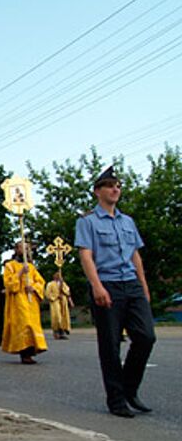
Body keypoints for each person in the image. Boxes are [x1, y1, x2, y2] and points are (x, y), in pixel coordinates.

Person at [74, 165, 155, 418]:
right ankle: (117, 400)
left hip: (131, 284)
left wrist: (143, 286)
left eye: (118, 185)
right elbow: (86, 256)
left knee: (146, 337)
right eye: (110, 185)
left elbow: (135, 255)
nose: (116, 189)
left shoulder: (127, 221)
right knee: (110, 345)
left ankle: (129, 389)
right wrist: (97, 286)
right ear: (98, 191)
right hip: (107, 284)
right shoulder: (87, 222)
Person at [2, 242, 48, 364]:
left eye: (27, 248)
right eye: (23, 247)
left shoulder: (31, 267)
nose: (25, 249)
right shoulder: (10, 266)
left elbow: (40, 282)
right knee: (24, 324)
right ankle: (25, 353)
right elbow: (9, 285)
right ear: (16, 250)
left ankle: (31, 351)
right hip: (18, 300)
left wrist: (33, 287)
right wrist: (21, 272)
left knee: (32, 325)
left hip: (31, 300)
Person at [45, 271, 74, 339]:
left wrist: (70, 301)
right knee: (57, 317)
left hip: (63, 301)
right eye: (56, 275)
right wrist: (56, 296)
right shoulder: (50, 284)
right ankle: (56, 331)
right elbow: (48, 294)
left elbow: (67, 292)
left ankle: (62, 332)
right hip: (55, 302)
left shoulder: (63, 284)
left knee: (64, 316)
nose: (58, 276)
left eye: (59, 275)